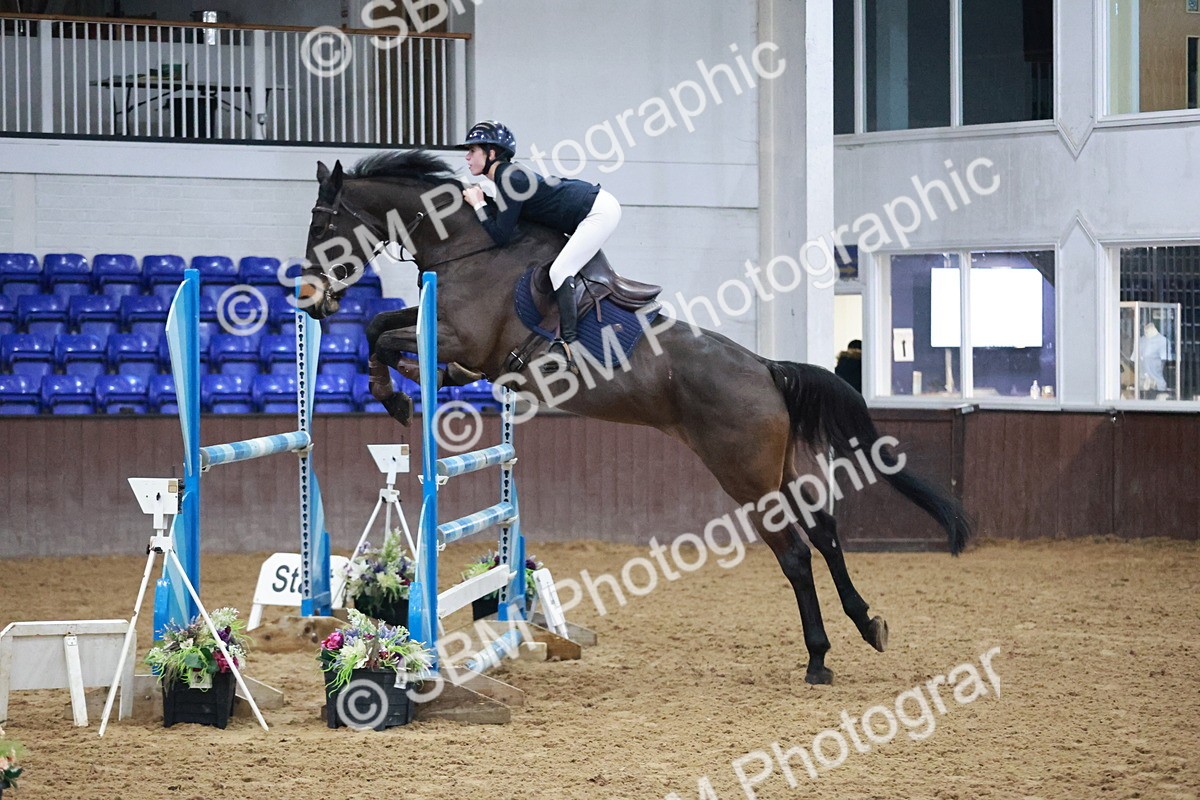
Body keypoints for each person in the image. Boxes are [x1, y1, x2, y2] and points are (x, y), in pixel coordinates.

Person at [459, 120, 622, 374]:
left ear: (491, 153)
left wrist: (479, 204)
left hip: (598, 211)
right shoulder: (506, 177)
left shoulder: (510, 178)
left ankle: (568, 347)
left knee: (560, 271)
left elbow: (501, 236)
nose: (467, 157)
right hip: (590, 208)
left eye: (472, 150)